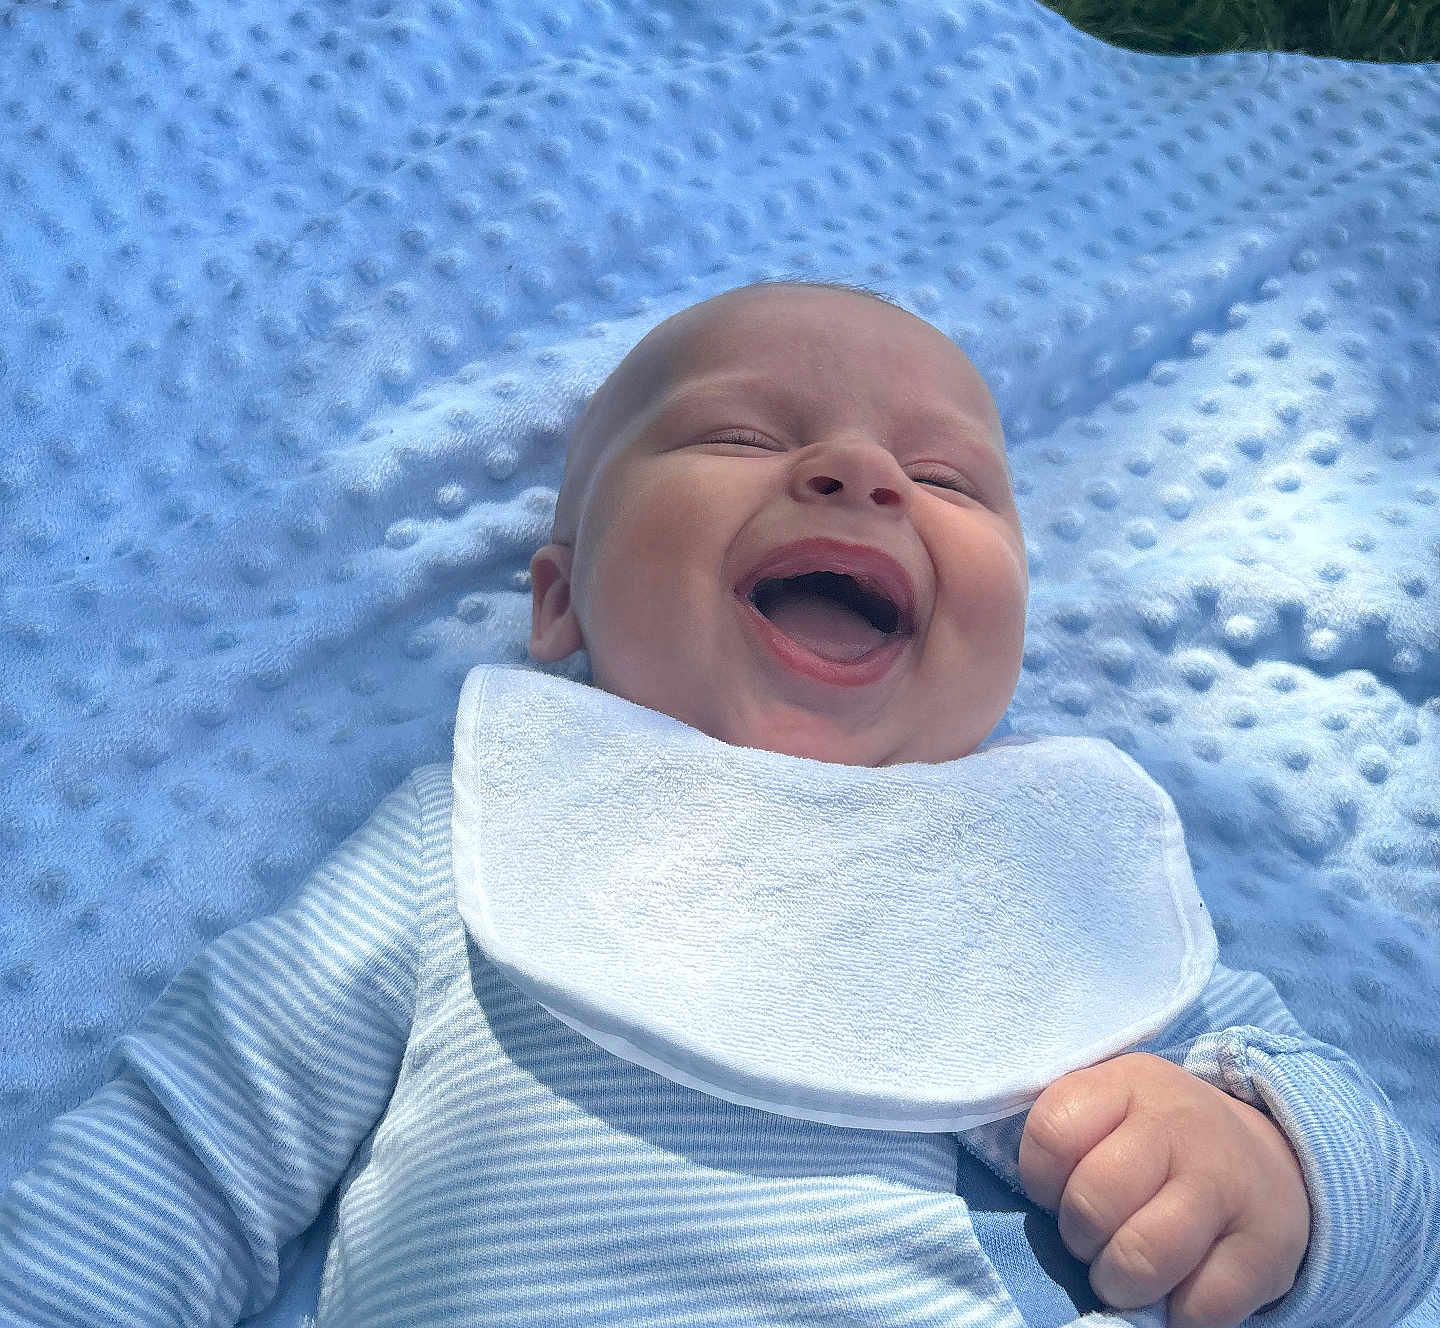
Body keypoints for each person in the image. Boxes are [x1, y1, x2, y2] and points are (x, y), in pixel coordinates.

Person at [0, 280, 1435, 1328]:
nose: (861, 473)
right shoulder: (474, 844)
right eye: (740, 436)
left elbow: (1396, 1230)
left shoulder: (1046, 885)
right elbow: (185, 1146)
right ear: (557, 603)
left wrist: (1268, 1164)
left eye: (943, 478)